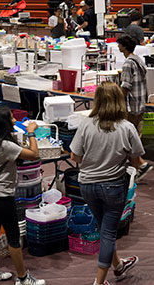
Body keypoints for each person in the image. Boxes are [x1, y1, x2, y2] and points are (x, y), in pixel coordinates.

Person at [70, 82, 143, 285]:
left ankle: (119, 266)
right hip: (113, 187)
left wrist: (94, 162)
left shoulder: (86, 124)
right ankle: (99, 282)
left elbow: (75, 155)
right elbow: (137, 161)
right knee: (109, 233)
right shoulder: (127, 128)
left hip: (87, 185)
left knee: (104, 227)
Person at [0, 107, 45, 285]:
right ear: (4, 123)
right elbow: (34, 155)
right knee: (14, 237)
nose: (14, 121)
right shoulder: (6, 145)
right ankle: (23, 278)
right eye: (12, 119)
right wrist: (31, 133)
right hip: (3, 196)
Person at [118, 34, 152, 181]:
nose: (118, 46)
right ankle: (136, 168)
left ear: (124, 46)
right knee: (136, 136)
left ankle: (141, 164)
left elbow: (125, 87)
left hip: (130, 106)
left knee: (128, 138)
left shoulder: (127, 64)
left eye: (119, 44)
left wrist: (116, 101)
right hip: (140, 104)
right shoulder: (139, 60)